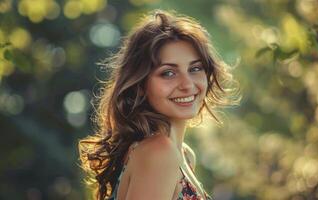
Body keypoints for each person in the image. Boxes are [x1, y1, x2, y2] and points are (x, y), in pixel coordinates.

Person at [78, 9, 240, 200]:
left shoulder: (184, 155)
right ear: (141, 84)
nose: (187, 84)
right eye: (168, 73)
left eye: (195, 68)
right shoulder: (159, 152)